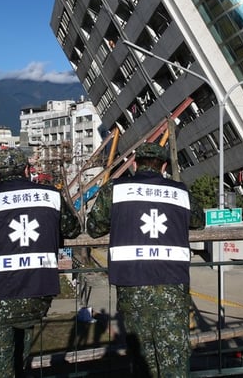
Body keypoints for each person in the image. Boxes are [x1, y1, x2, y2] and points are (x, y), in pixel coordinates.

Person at [86, 142, 203, 378]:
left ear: (136, 164)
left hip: (132, 286)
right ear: (164, 167)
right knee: (174, 360)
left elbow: (94, 227)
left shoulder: (115, 190)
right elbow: (198, 220)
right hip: (172, 286)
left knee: (142, 361)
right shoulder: (179, 191)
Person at [0, 147, 81, 377]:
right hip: (37, 292)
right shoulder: (51, 195)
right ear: (28, 170)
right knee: (21, 355)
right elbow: (72, 229)